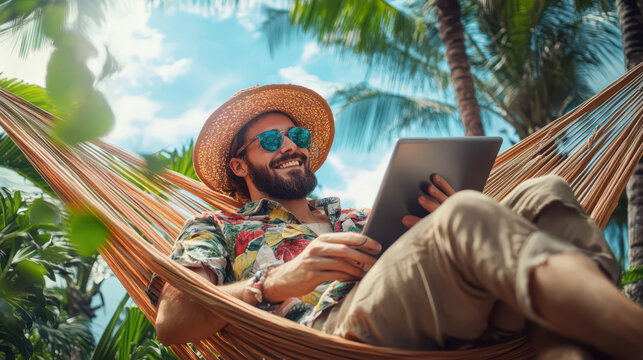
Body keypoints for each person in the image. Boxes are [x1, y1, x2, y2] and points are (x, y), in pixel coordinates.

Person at [149, 84, 643, 358]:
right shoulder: (216, 227)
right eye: (273, 141)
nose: (294, 146)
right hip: (329, 339)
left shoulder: (361, 215)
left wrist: (439, 219)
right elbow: (173, 323)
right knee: (467, 215)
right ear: (239, 165)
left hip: (453, 312)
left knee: (544, 192)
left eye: (295, 135)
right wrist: (276, 283)